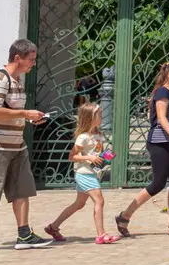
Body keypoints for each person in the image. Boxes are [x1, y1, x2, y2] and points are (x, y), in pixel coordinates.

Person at [0, 38, 53, 253]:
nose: (33, 64)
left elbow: (10, 114)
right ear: (18, 58)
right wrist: (25, 113)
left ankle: (24, 234)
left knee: (21, 189)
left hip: (16, 145)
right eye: (30, 60)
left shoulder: (16, 81)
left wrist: (30, 119)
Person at [114, 61, 169, 236]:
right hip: (159, 142)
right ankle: (125, 215)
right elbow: (161, 119)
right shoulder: (162, 93)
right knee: (158, 183)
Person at [45, 100, 117, 244]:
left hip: (93, 172)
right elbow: (72, 156)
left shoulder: (98, 135)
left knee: (79, 204)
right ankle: (101, 234)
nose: (102, 118)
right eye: (99, 116)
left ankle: (53, 227)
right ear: (90, 118)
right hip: (84, 173)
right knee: (99, 201)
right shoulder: (83, 137)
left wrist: (105, 157)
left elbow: (98, 152)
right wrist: (89, 157)